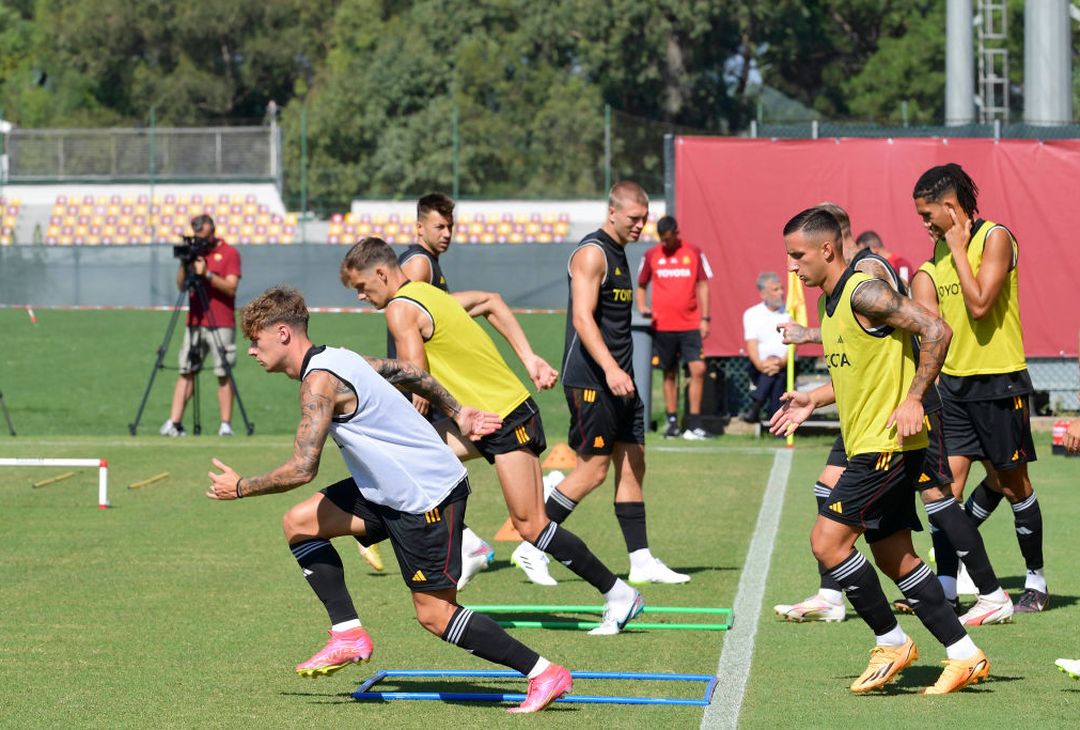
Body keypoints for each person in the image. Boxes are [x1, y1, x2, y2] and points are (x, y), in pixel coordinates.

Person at [206, 286, 572, 714]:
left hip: (426, 496)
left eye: (256, 340)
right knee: (300, 523)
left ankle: (542, 672)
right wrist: (458, 412)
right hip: (387, 491)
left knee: (435, 615)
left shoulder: (318, 383)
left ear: (283, 333)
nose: (252, 350)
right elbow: (405, 371)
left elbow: (302, 469)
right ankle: (348, 634)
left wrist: (240, 487)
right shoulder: (339, 357)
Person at [339, 238, 646, 633]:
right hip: (487, 418)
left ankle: (619, 594)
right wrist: (529, 359)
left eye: (361, 287)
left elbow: (416, 379)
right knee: (406, 459)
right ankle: (464, 543)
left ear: (382, 273)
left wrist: (359, 377)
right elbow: (492, 301)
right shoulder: (430, 295)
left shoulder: (400, 309)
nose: (361, 296)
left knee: (531, 526)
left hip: (505, 418)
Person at [771, 207, 989, 694]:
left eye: (798, 255)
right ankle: (964, 654)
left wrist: (914, 398)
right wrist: (812, 399)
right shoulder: (829, 305)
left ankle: (892, 642)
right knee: (896, 557)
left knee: (827, 542)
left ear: (827, 249)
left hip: (887, 446)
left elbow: (938, 330)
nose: (791, 265)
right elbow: (858, 374)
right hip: (870, 445)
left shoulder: (863, 291)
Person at [911, 163, 1048, 613]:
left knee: (1013, 485)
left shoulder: (995, 238)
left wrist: (957, 247)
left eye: (928, 214)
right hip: (953, 389)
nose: (925, 224)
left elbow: (981, 305)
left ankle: (1036, 580)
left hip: (999, 383)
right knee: (943, 492)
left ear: (951, 207)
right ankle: (948, 588)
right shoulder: (934, 257)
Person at [556, 181, 689, 584]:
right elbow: (582, 318)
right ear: (612, 212)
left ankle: (641, 560)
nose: (639, 225)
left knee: (634, 462)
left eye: (644, 219)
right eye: (633, 218)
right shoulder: (593, 253)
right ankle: (532, 542)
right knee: (593, 472)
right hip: (593, 380)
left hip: (621, 381)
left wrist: (622, 373)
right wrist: (612, 370)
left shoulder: (620, 251)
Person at [381, 192, 494, 583]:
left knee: (421, 467)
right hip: (417, 388)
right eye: (439, 226)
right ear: (419, 227)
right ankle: (462, 543)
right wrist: (418, 386)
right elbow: (408, 322)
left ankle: (464, 543)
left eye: (450, 227)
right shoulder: (419, 263)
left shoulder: (428, 263)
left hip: (422, 388)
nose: (446, 233)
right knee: (420, 467)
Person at [160, 214, 241, 437]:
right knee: (186, 370)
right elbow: (181, 286)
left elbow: (231, 288)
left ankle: (225, 425)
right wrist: (185, 263)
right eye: (197, 236)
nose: (201, 241)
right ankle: (174, 422)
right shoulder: (195, 254)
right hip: (195, 321)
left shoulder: (229, 253)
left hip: (221, 322)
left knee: (223, 372)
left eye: (203, 236)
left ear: (213, 231)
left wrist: (207, 274)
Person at [634, 215, 713, 439]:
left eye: (668, 238)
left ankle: (694, 424)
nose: (665, 243)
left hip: (690, 324)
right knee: (669, 373)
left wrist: (705, 318)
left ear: (676, 234)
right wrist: (642, 306)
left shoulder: (693, 252)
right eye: (662, 239)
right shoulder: (651, 255)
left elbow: (703, 285)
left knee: (698, 369)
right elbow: (641, 284)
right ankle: (672, 422)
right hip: (662, 326)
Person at [739, 272, 789, 425]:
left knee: (776, 376)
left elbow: (794, 346)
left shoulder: (790, 312)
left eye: (781, 288)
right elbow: (752, 345)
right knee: (774, 376)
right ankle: (778, 426)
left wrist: (780, 362)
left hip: (785, 366)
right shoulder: (752, 314)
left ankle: (756, 407)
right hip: (759, 368)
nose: (781, 292)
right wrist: (762, 365)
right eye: (775, 289)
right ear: (763, 294)